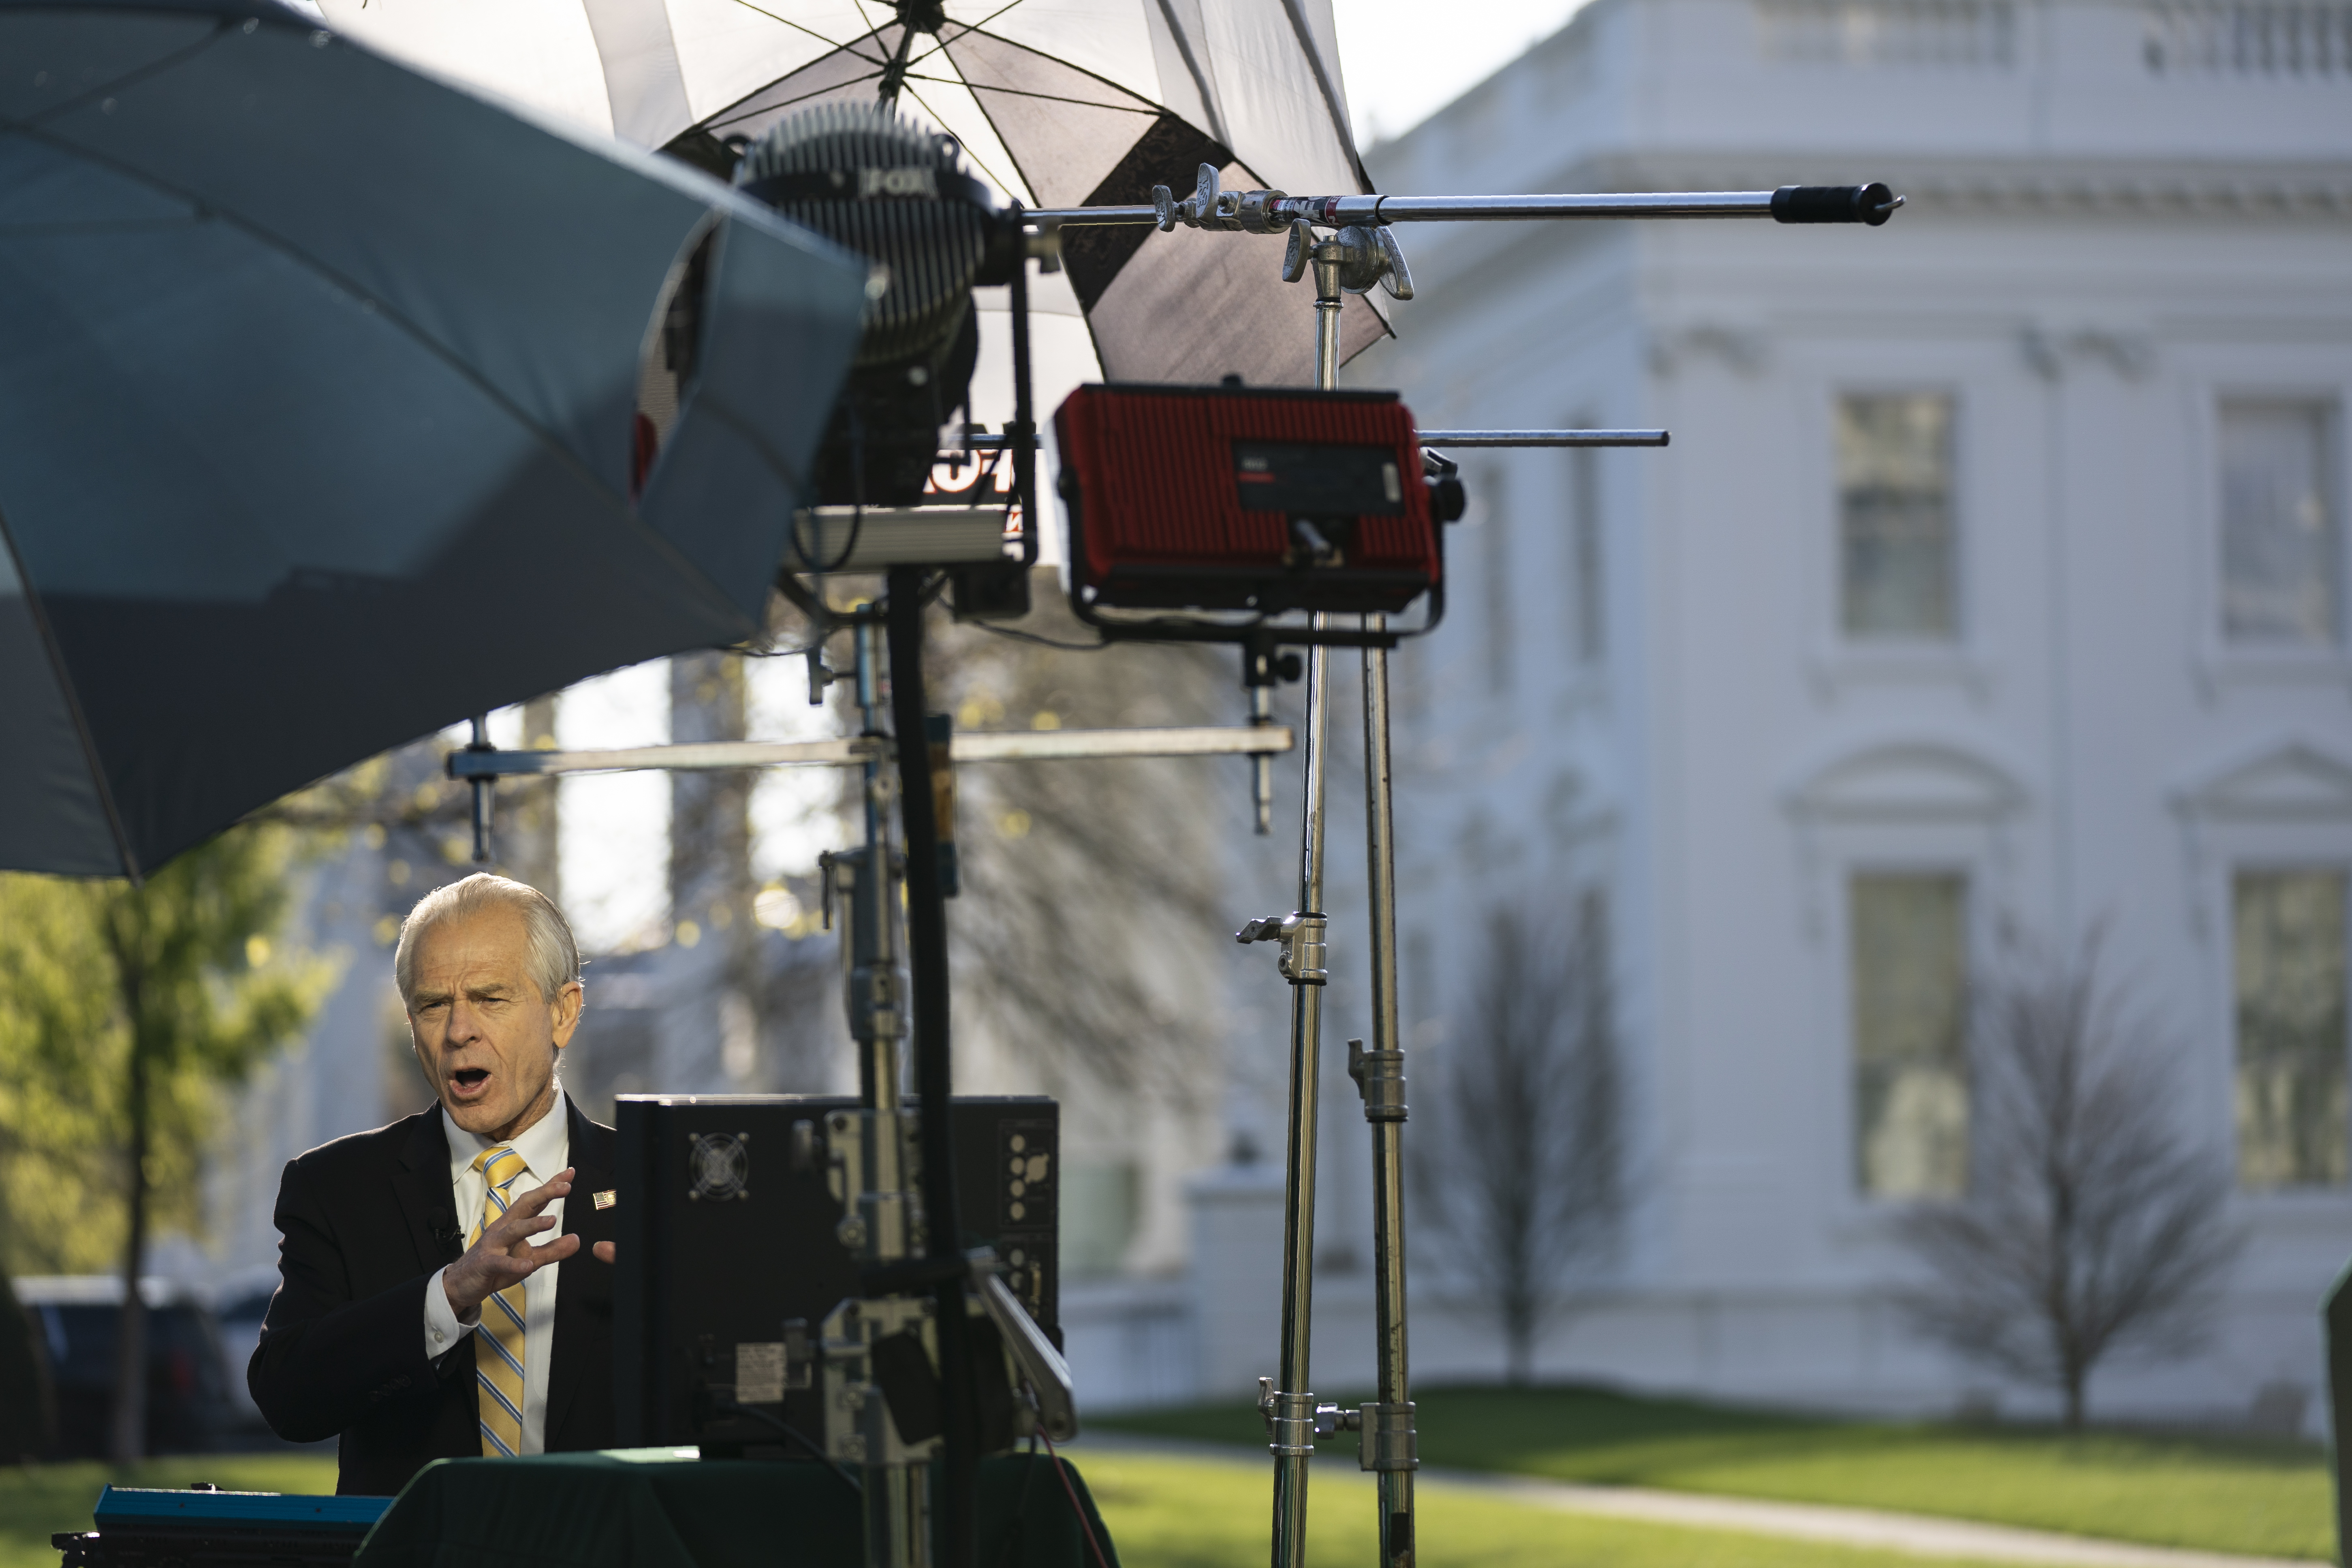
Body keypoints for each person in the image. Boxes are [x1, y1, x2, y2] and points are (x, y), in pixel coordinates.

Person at [249, 873, 622, 1495]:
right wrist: (445, 1297)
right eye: (432, 1004)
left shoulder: (649, 1184)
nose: (457, 1032)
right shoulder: (336, 1188)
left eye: (489, 998)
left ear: (563, 1012)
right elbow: (288, 1397)